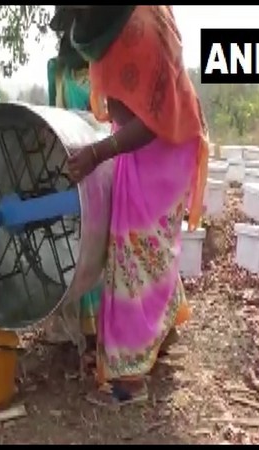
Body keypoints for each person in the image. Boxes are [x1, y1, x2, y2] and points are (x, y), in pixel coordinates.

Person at [63, 5, 208, 403]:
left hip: (160, 147)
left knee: (135, 257)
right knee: (147, 252)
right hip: (150, 144)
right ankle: (160, 332)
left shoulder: (139, 29)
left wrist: (98, 152)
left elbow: (153, 118)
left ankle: (128, 380)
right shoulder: (122, 20)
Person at [44, 7, 101, 344]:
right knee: (74, 239)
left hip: (103, 158)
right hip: (71, 160)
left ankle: (101, 326)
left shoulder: (104, 63)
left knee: (100, 236)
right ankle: (73, 328)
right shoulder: (57, 70)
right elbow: (54, 116)